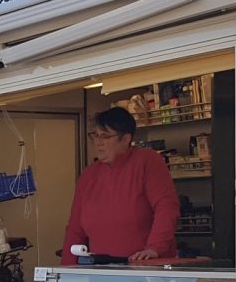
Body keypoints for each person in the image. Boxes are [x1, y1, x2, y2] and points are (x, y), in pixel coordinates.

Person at [61, 106, 179, 264]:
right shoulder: (89, 175)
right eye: (95, 136)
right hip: (101, 269)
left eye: (105, 136)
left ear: (126, 139)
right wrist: (66, 273)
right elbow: (75, 229)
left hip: (144, 268)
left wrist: (155, 248)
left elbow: (166, 207)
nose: (98, 143)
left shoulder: (147, 161)